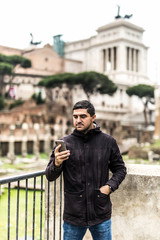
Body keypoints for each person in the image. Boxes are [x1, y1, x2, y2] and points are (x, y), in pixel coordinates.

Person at [46, 100, 127, 240]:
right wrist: (57, 163)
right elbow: (50, 176)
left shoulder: (108, 142)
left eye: (83, 116)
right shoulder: (65, 143)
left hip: (100, 212)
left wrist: (108, 187)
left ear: (93, 118)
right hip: (74, 214)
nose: (78, 120)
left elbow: (120, 169)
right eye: (75, 117)